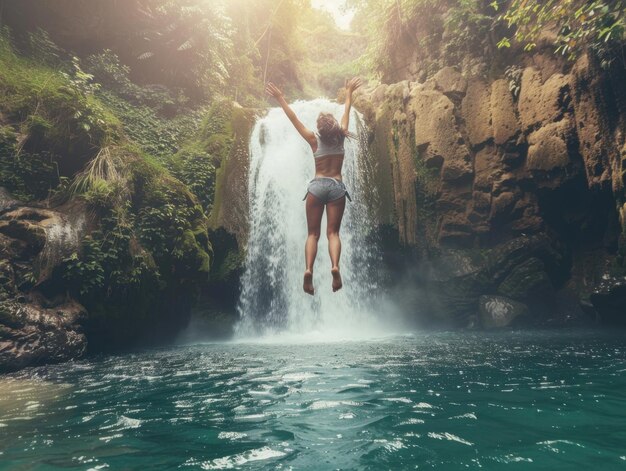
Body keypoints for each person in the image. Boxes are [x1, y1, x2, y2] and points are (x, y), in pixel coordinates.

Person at [265, 78, 363, 295]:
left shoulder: (313, 140)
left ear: (319, 128)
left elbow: (293, 118)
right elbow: (347, 109)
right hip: (337, 186)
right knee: (333, 233)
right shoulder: (341, 137)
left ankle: (308, 270)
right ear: (335, 127)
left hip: (317, 186)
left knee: (312, 234)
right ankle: (335, 266)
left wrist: (280, 97)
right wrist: (348, 92)